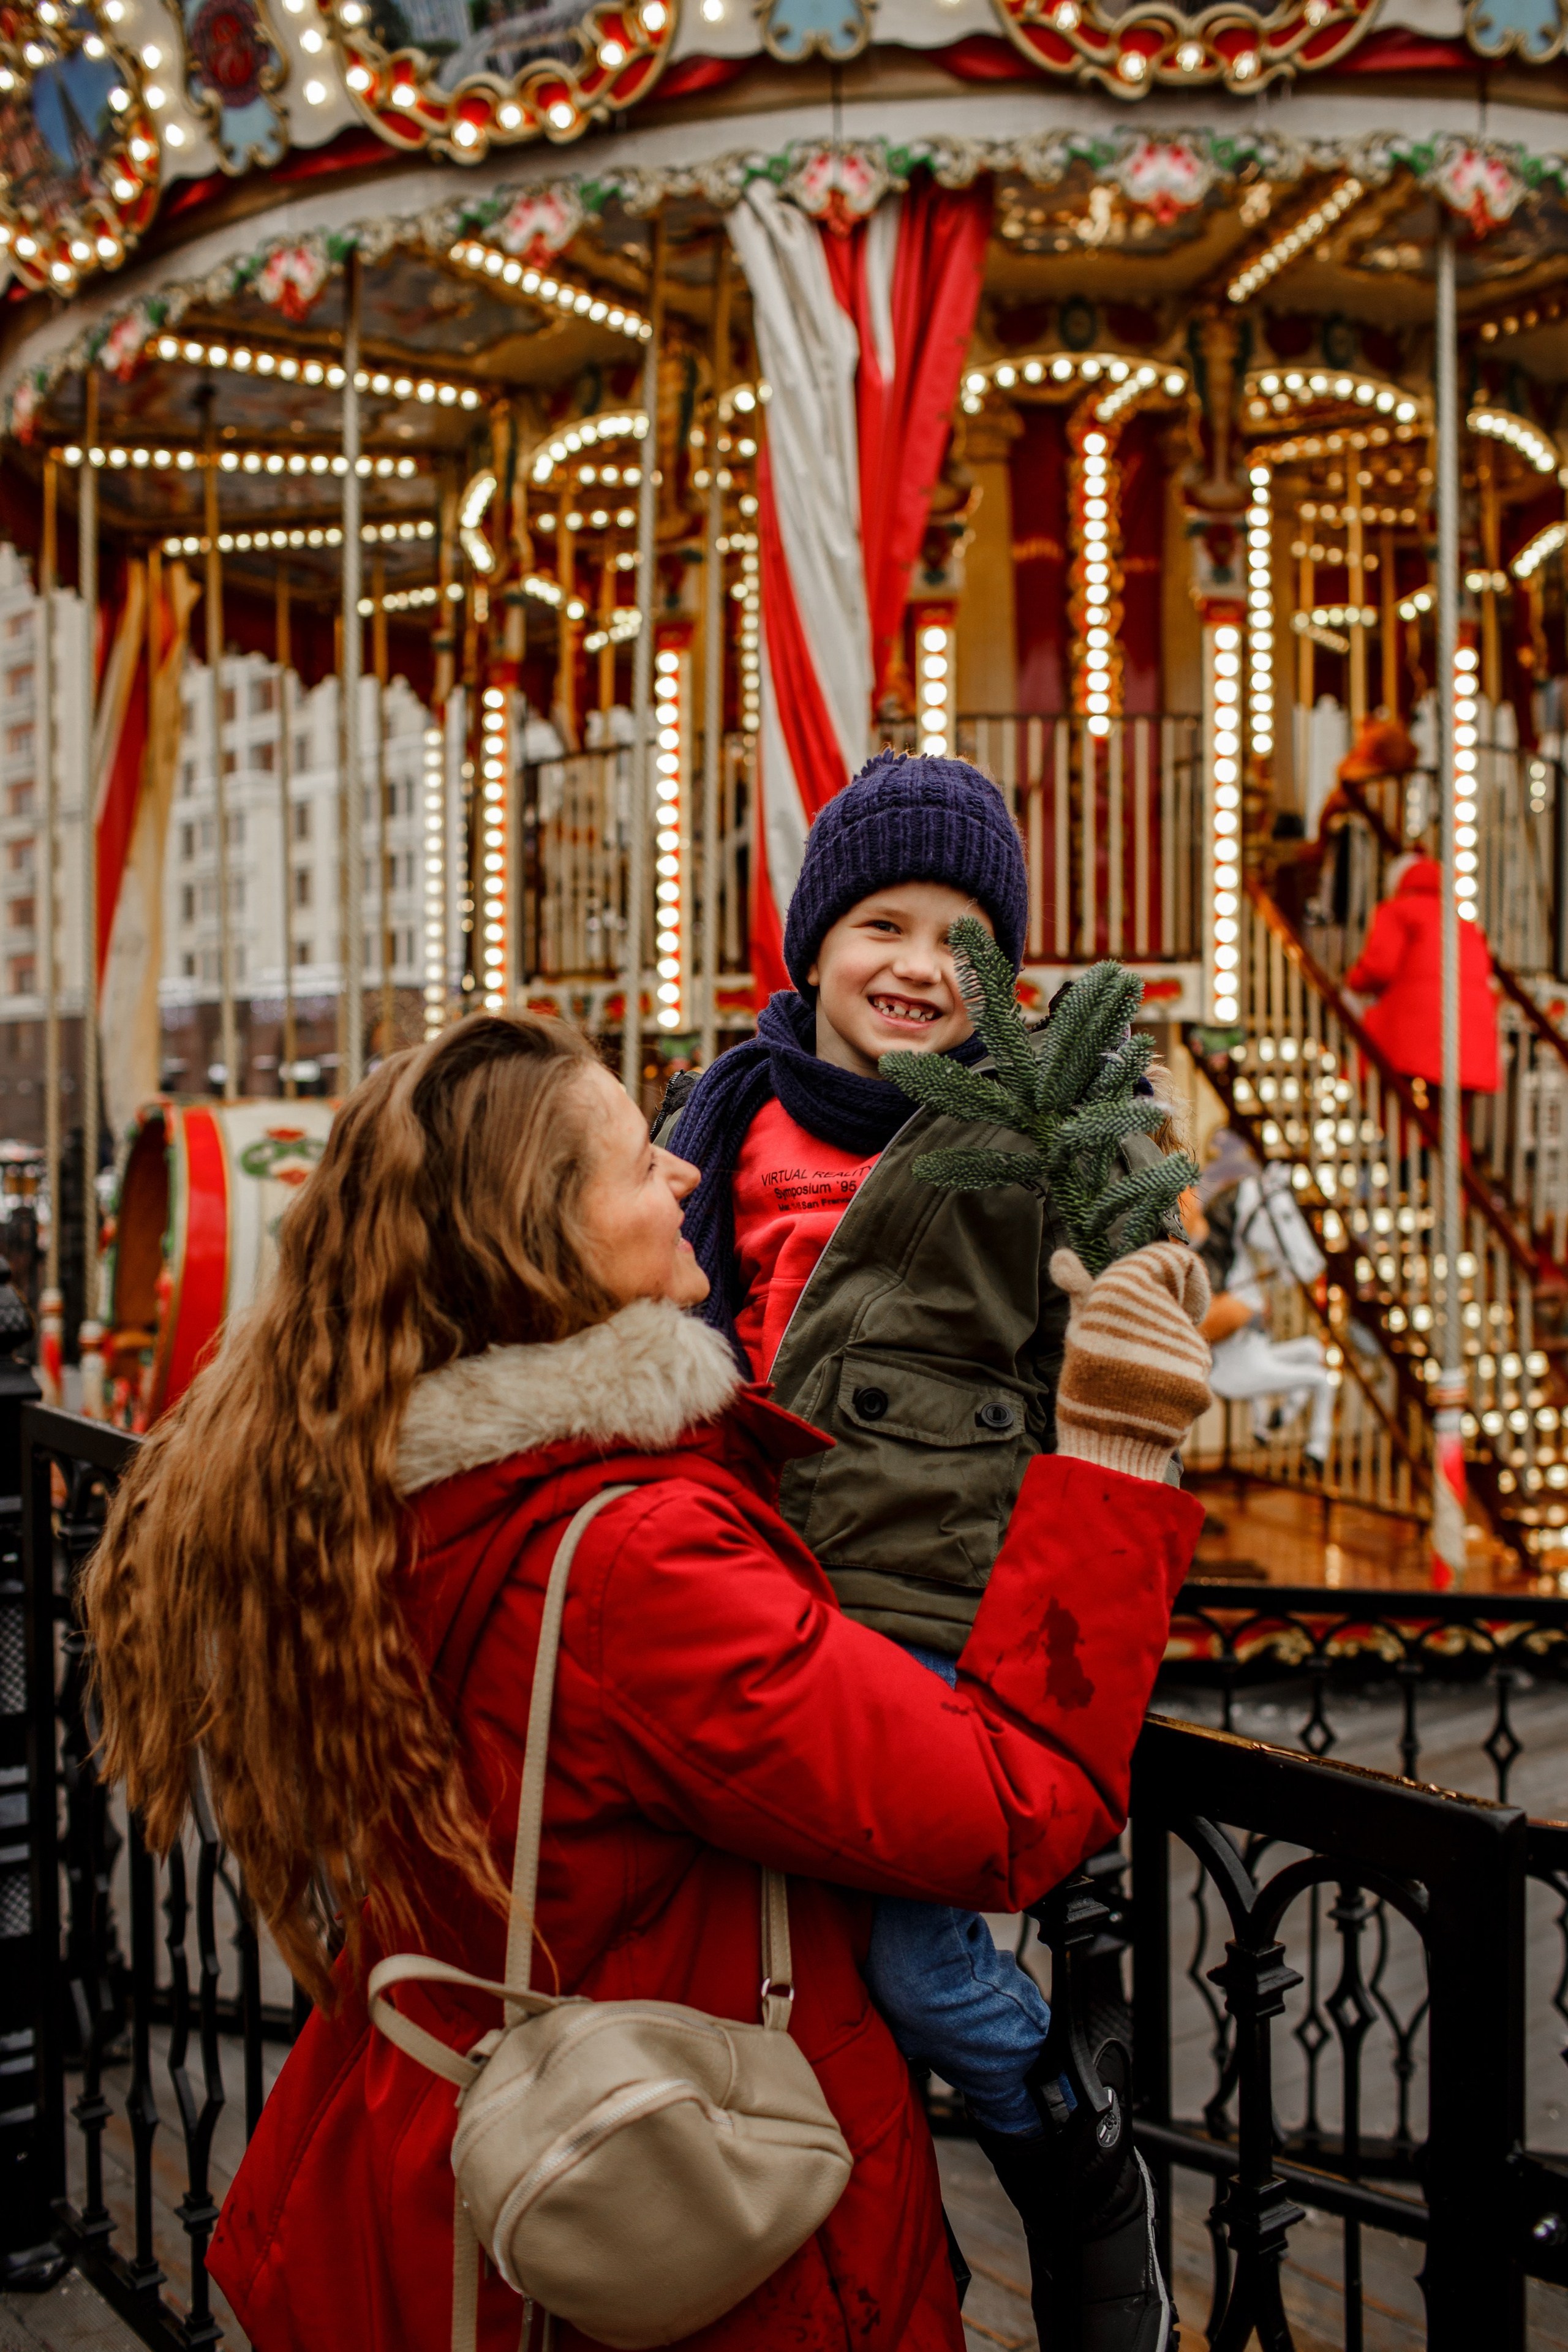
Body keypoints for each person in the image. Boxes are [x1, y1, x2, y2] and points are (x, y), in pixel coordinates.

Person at [81, 1013, 1208, 2352]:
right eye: (634, 1164)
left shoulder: (381, 1476)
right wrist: (1112, 1453)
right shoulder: (636, 1566)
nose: (682, 1170)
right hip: (676, 2189)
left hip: (448, 2122)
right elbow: (1006, 1802)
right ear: (542, 1242)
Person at [655, 749, 1184, 2345]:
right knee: (753, 1946)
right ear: (811, 944)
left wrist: (1121, 1204)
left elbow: (1134, 1271)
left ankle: (1069, 2151)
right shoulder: (725, 1112)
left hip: (915, 1603)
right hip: (741, 1579)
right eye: (879, 924)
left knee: (911, 1960)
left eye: (964, 940)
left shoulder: (1031, 1130)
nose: (917, 965)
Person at [1185, 1129, 1335, 1472]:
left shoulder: (1236, 1268)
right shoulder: (1206, 1269)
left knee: (1311, 1349)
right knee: (1318, 1377)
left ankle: (1271, 1418)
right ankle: (1303, 1430)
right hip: (1222, 1360)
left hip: (1241, 1334)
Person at [1343, 852, 1500, 1098]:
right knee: (1447, 1113)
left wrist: (1351, 982)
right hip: (1472, 1038)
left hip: (1417, 1034)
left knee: (1389, 1099)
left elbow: (1379, 968)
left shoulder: (1397, 911)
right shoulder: (1465, 923)